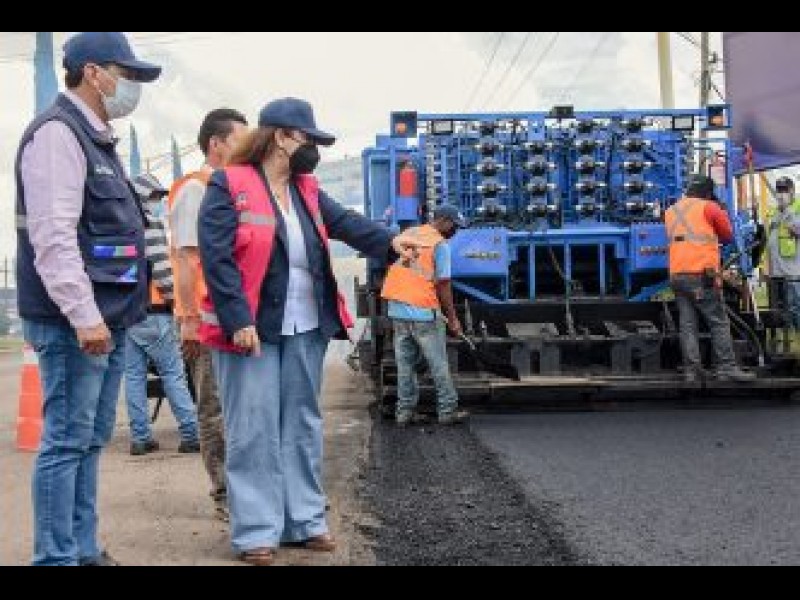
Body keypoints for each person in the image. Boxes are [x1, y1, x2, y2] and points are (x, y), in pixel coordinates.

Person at [197, 97, 428, 566]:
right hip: (252, 328)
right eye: (309, 139)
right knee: (253, 427)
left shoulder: (306, 188)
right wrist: (238, 319)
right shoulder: (230, 183)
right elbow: (216, 257)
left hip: (305, 324)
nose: (314, 149)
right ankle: (255, 530)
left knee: (301, 423)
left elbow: (345, 223)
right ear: (282, 137)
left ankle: (303, 520)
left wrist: (390, 242)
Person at [14, 32, 161, 566]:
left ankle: (80, 548)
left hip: (108, 318)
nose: (132, 85)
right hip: (74, 322)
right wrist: (83, 316)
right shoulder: (58, 134)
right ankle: (56, 558)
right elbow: (53, 237)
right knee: (66, 441)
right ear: (93, 73)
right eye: (127, 74)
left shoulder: (97, 140)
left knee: (91, 438)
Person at [168, 108, 248, 522]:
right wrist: (189, 321)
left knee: (237, 408)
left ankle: (244, 491)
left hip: (230, 317)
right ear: (216, 144)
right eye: (240, 139)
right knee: (215, 410)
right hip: (204, 320)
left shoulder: (229, 189)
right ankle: (225, 495)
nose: (248, 146)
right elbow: (186, 258)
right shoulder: (196, 191)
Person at [123, 173, 200, 456]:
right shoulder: (150, 225)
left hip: (128, 314)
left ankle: (140, 438)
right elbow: (163, 272)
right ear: (143, 197)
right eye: (154, 197)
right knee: (173, 374)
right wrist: (177, 303)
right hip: (156, 313)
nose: (158, 202)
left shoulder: (121, 227)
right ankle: (191, 434)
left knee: (134, 378)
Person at [381, 205, 469, 426]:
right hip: (423, 312)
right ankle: (447, 411)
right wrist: (453, 319)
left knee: (405, 365)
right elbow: (444, 285)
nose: (455, 231)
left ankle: (404, 413)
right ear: (445, 221)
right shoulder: (440, 245)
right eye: (455, 226)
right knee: (438, 363)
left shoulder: (410, 233)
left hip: (398, 310)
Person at [665, 174, 756, 384]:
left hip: (677, 275)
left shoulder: (670, 211)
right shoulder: (709, 207)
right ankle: (726, 368)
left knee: (688, 325)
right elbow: (728, 235)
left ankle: (692, 371)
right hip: (701, 275)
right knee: (718, 322)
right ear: (707, 193)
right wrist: (721, 211)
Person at [767, 176, 800, 329]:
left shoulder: (797, 207)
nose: (781, 194)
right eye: (779, 190)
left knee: (794, 306)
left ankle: (796, 334)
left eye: (784, 190)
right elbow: (771, 240)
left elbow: (797, 231)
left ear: (792, 191)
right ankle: (789, 335)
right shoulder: (774, 212)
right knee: (781, 309)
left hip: (793, 270)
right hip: (776, 270)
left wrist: (788, 212)